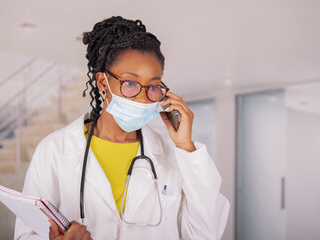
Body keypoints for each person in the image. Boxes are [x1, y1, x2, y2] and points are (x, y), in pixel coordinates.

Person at [14, 16, 230, 240]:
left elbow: (205, 234)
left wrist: (186, 146)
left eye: (154, 86)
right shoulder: (54, 150)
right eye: (130, 83)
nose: (144, 98)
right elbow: (26, 235)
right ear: (101, 83)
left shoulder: (174, 155)